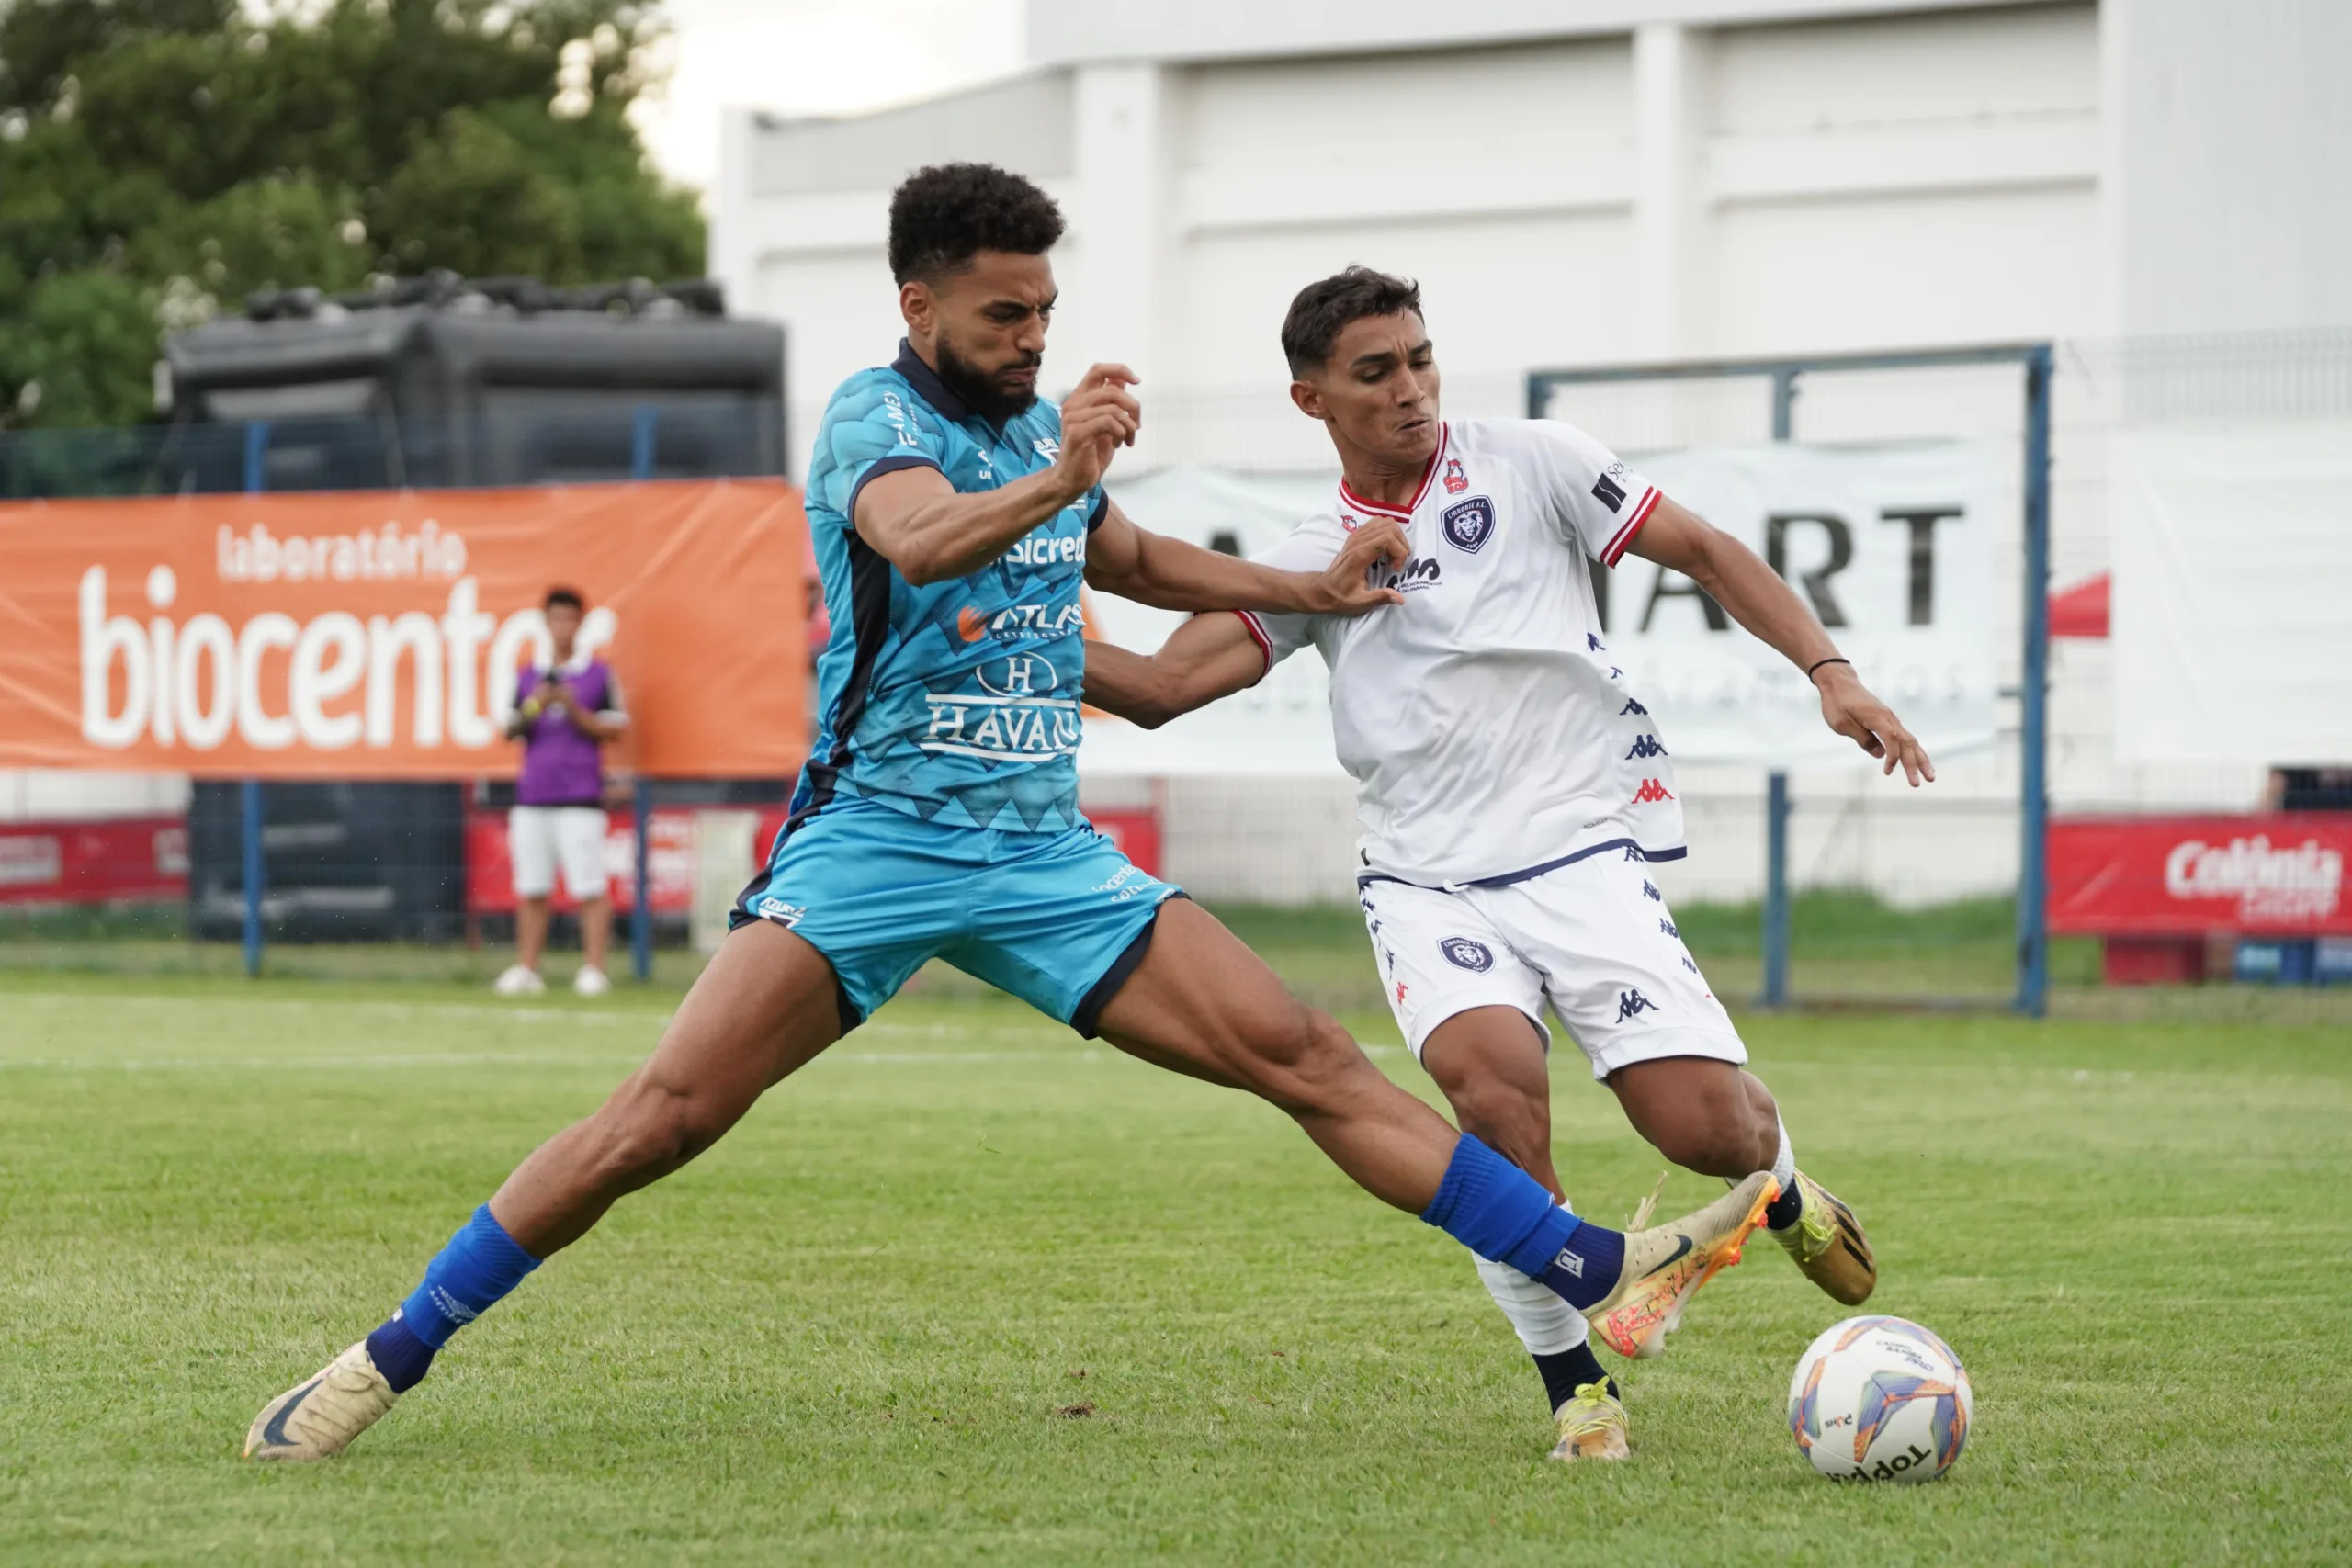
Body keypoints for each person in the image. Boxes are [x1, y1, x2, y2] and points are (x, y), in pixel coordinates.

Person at [243, 167, 1775, 1463]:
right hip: (877, 847)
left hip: (1043, 859)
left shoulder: (1042, 443)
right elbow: (918, 544)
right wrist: (1063, 475)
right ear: (922, 311)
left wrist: (1306, 588)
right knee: (663, 1122)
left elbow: (1148, 564)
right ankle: (387, 1355)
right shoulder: (873, 422)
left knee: (1302, 1054)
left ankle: (1591, 1267)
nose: (1032, 336)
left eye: (1045, 311)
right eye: (1003, 314)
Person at [1080, 267, 1936, 1462]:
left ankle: (1781, 1185)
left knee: (1704, 1127)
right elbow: (1166, 688)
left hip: (1581, 854)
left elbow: (1703, 546)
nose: (1413, 389)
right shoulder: (1312, 556)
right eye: (1376, 372)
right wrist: (1012, 639)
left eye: (1422, 358)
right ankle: (1576, 1383)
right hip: (1426, 882)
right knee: (1493, 1108)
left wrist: (1830, 670)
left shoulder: (1536, 461)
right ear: (1310, 397)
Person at [492, 587, 628, 999]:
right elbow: (509, 728)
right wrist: (537, 704)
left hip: (581, 795)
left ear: (581, 623)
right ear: (546, 623)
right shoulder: (527, 675)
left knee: (589, 887)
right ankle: (528, 969)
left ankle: (593, 970)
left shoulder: (598, 675)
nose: (563, 626)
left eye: (570, 618)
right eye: (556, 618)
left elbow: (616, 727)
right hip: (534, 795)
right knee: (532, 887)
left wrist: (573, 709)